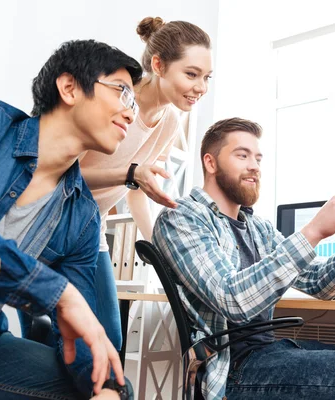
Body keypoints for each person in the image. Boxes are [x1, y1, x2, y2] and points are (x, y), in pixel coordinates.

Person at [153, 118, 335, 400]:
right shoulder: (182, 217)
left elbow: (320, 285)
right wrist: (313, 231)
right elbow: (233, 300)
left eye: (258, 158)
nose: (254, 166)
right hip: (231, 370)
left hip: (269, 352)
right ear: (210, 162)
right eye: (242, 156)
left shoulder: (258, 228)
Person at [0, 40, 142, 399]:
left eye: (134, 103)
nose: (130, 113)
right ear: (70, 87)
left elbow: (79, 331)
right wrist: (55, 292)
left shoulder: (81, 216)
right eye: (122, 92)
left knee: (110, 389)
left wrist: (107, 388)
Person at [79, 16, 212, 351]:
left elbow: (138, 190)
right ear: (159, 65)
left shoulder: (171, 119)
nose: (201, 87)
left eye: (207, 77)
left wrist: (159, 247)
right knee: (76, 346)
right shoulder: (114, 102)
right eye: (191, 74)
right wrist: (130, 174)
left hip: (91, 230)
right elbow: (63, 176)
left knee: (110, 341)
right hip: (52, 224)